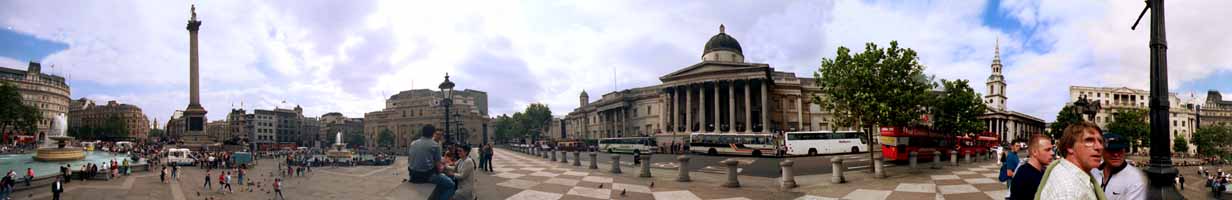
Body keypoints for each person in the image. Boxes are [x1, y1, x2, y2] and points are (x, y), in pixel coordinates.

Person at [1035, 121, 1107, 200]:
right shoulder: (1068, 191)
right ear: (1069, 146)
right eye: (1089, 140)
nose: (1099, 147)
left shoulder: (1067, 173)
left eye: (1100, 141)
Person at [1091, 133, 1146, 200]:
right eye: (1111, 150)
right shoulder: (1093, 170)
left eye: (1119, 150)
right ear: (1101, 151)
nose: (1116, 154)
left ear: (1124, 150)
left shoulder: (1135, 179)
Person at [409, 125, 455, 200]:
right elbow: (439, 168)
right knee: (451, 185)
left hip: (413, 175)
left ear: (422, 132)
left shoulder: (413, 143)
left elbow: (410, 161)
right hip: (426, 176)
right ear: (433, 133)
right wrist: (444, 168)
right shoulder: (434, 145)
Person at [1010, 135, 1054, 200]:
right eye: (1047, 150)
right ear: (1034, 152)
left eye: (1052, 149)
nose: (1052, 153)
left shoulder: (1043, 171)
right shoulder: (1024, 175)